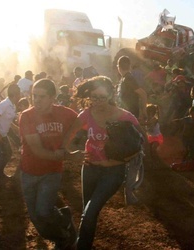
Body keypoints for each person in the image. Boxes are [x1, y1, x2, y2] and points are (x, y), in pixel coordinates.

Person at [62, 76, 145, 250]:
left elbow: (139, 146)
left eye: (102, 97)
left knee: (90, 212)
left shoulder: (124, 116)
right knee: (87, 213)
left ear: (110, 95)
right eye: (94, 97)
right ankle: (82, 243)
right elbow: (69, 134)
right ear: (89, 96)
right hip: (89, 168)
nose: (97, 101)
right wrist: (70, 153)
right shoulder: (86, 114)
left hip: (113, 172)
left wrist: (113, 162)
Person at [19, 78, 81, 249]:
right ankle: (64, 219)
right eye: (34, 96)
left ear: (53, 97)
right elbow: (38, 150)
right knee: (37, 220)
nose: (36, 100)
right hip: (29, 172)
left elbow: (83, 123)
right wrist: (68, 156)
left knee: (44, 211)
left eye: (42, 96)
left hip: (52, 172)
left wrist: (71, 142)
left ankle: (62, 238)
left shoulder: (65, 113)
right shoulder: (27, 116)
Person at [116, 56, 147, 121]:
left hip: (130, 114)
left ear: (118, 67)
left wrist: (144, 112)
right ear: (130, 66)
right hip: (126, 113)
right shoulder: (124, 78)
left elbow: (143, 94)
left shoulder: (128, 78)